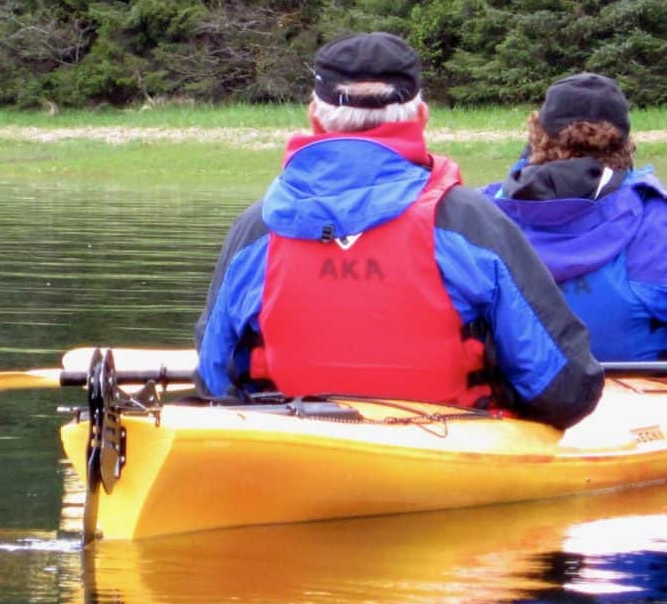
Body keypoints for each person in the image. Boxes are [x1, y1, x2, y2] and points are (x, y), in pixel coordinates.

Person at [194, 32, 603, 430]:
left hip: (292, 451)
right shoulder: (470, 223)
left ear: (314, 115)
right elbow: (564, 390)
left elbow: (213, 380)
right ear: (421, 116)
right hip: (450, 455)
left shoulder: (256, 229)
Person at [482, 73, 666, 361]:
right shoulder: (656, 218)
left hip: (513, 394)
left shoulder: (481, 211)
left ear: (538, 136)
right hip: (635, 395)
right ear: (624, 143)